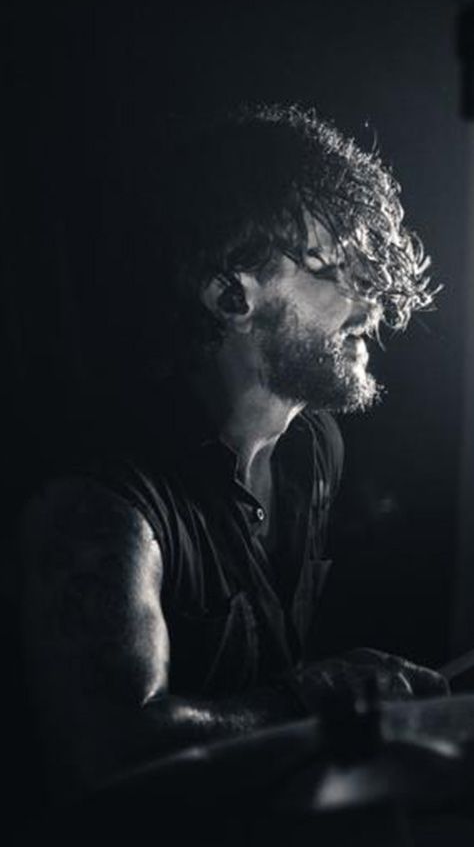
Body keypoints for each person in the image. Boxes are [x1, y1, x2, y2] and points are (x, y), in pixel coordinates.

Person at [18, 105, 448, 797]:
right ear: (229, 296)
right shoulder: (104, 500)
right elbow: (109, 752)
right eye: (332, 268)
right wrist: (310, 698)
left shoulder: (314, 449)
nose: (369, 301)